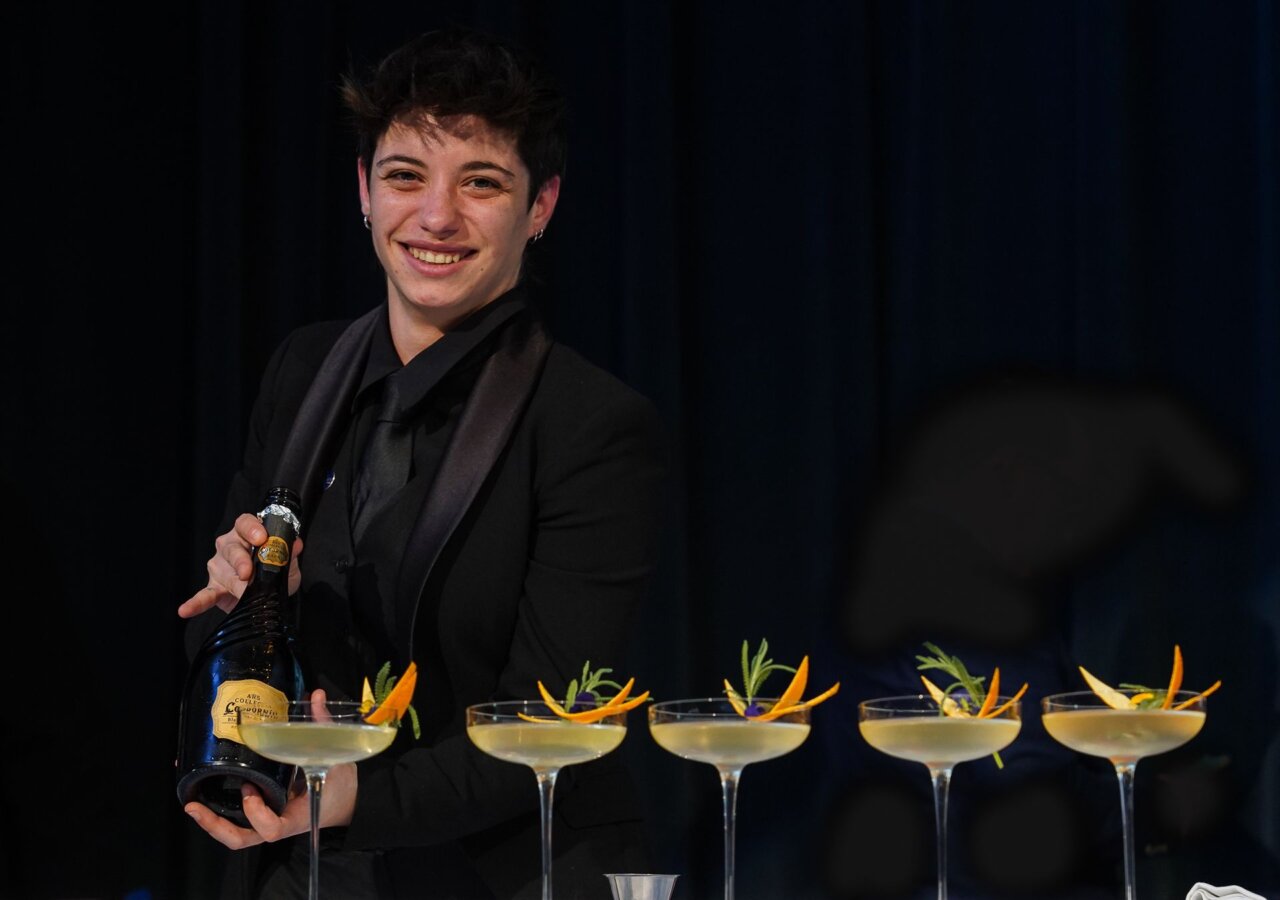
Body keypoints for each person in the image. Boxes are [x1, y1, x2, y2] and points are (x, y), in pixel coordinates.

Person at [177, 26, 666, 899]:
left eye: (482, 183)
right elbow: (227, 654)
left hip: (504, 873)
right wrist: (239, 602)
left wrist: (353, 798)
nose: (437, 217)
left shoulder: (591, 425)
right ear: (364, 191)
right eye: (406, 176)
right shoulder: (301, 369)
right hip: (303, 866)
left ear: (542, 206)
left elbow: (552, 721)